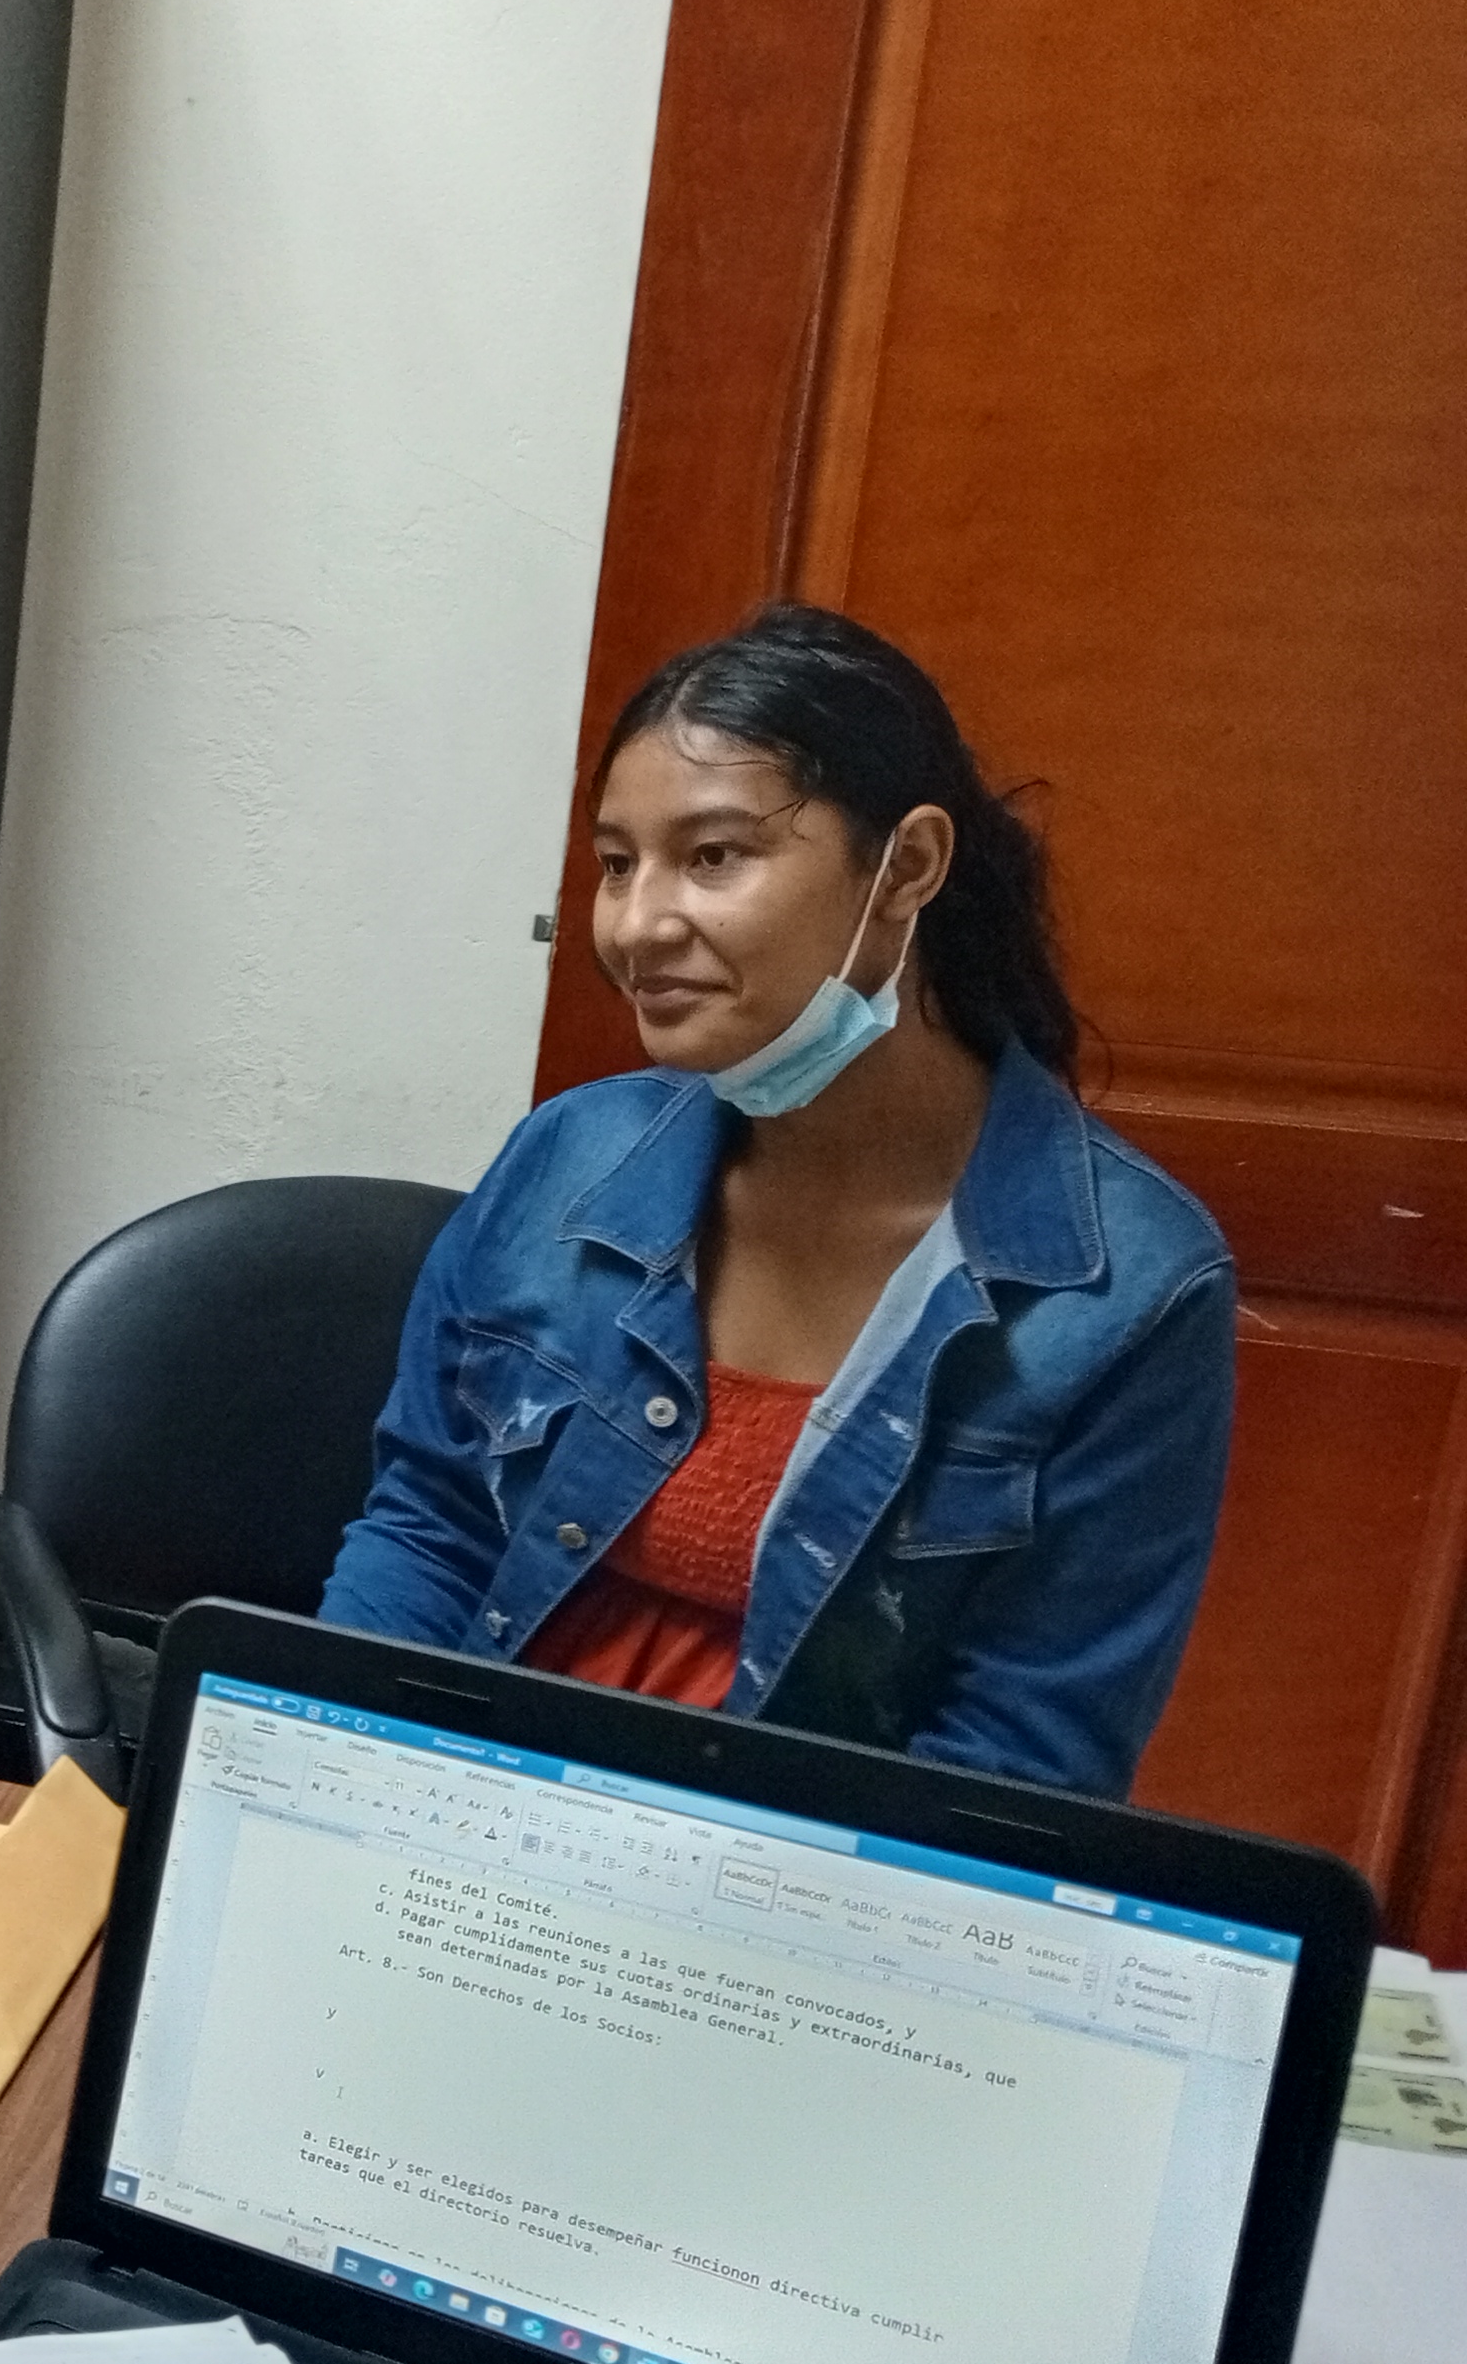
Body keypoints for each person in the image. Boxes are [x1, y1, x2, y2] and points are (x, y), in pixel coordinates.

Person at [321, 603, 1236, 1799]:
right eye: (615, 864)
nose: (635, 926)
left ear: (905, 867)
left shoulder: (1126, 1289)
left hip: (802, 1869)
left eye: (711, 856)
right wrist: (337, 1783)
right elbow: (430, 1528)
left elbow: (1012, 1760)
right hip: (461, 1806)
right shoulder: (566, 1154)